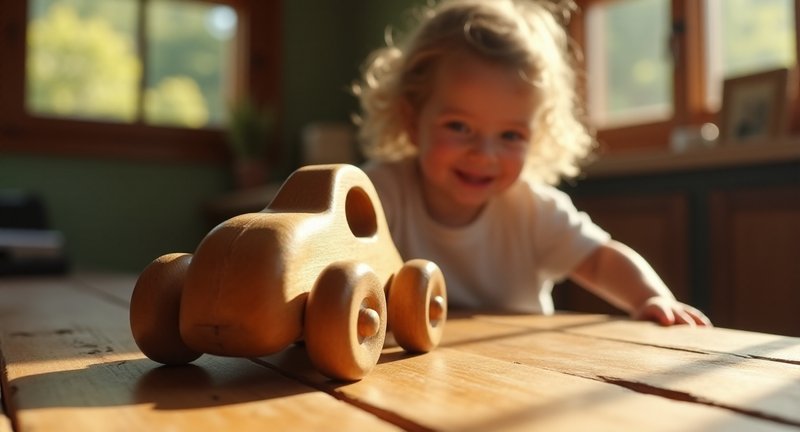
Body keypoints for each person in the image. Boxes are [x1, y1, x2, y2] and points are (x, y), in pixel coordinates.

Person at [353, 0, 711, 326]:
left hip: (519, 371)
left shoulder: (534, 210)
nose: (484, 154)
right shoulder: (380, 195)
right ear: (413, 121)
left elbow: (600, 260)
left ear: (536, 135)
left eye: (510, 135)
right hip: (408, 373)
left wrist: (651, 297)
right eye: (459, 127)